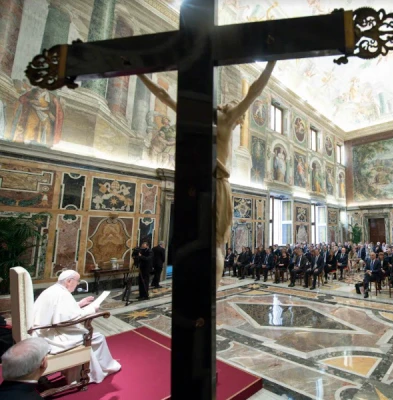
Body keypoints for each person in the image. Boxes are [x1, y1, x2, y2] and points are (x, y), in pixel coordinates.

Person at [137, 61, 277, 288]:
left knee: (213, 244)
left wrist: (271, 64)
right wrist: (141, 73)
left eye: (234, 104)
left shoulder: (222, 118)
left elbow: (254, 91)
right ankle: (204, 287)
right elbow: (164, 95)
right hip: (208, 181)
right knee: (209, 244)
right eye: (232, 102)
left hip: (204, 181)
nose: (230, 103)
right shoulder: (216, 118)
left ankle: (209, 288)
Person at [31, 270, 121, 383]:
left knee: (93, 336)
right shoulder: (63, 294)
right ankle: (102, 369)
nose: (78, 284)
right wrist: (92, 309)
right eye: (77, 281)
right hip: (52, 338)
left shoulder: (52, 290)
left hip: (43, 332)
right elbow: (71, 319)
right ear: (69, 281)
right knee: (98, 337)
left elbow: (61, 311)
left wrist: (79, 304)